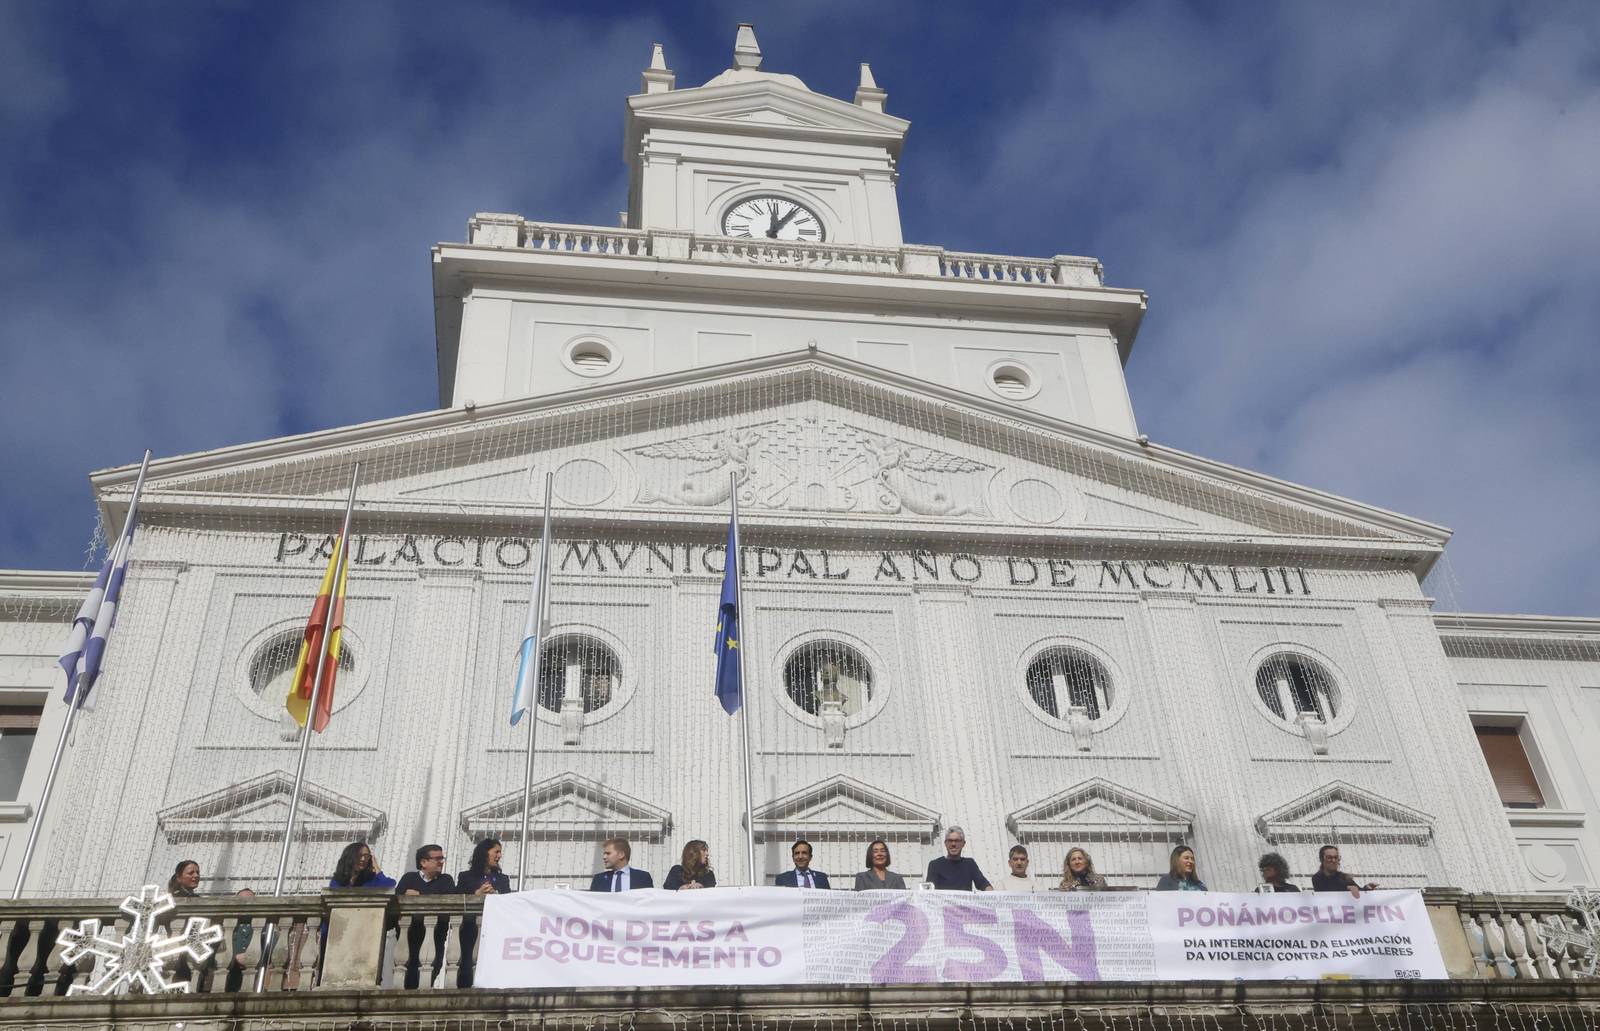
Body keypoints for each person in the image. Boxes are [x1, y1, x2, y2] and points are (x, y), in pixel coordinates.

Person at [395, 844, 456, 989]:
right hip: (410, 937)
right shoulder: (409, 878)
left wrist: (420, 896)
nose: (441, 862)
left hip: (436, 937)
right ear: (423, 862)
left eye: (442, 858)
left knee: (432, 971)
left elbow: (449, 900)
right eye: (438, 858)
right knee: (408, 975)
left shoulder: (446, 880)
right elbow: (396, 901)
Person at [455, 839, 510, 988]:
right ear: (485, 853)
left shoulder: (503, 879)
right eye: (496, 852)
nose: (499, 856)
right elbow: (456, 900)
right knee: (467, 964)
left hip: (495, 931)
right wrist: (477, 894)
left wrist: (496, 895)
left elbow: (509, 902)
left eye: (500, 852)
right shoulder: (465, 877)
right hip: (470, 930)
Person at [925, 827, 992, 890]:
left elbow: (983, 884)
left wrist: (992, 893)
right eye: (950, 841)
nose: (953, 844)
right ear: (945, 843)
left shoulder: (969, 864)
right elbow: (929, 891)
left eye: (957, 841)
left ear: (963, 843)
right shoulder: (935, 865)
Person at [589, 837, 653, 891]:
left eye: (608, 853)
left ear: (621, 854)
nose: (604, 857)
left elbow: (649, 900)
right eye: (604, 854)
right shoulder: (599, 879)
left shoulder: (643, 877)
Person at [1311, 844, 1375, 897]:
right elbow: (1326, 893)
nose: (1333, 861)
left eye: (1336, 857)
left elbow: (1359, 893)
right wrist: (1347, 888)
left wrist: (1367, 888)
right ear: (1321, 859)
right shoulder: (1317, 878)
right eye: (1329, 858)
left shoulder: (1345, 878)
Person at [330, 842, 396, 890]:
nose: (363, 859)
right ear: (350, 857)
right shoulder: (339, 880)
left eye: (366, 856)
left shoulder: (370, 879)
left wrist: (376, 867)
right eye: (359, 855)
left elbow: (389, 885)